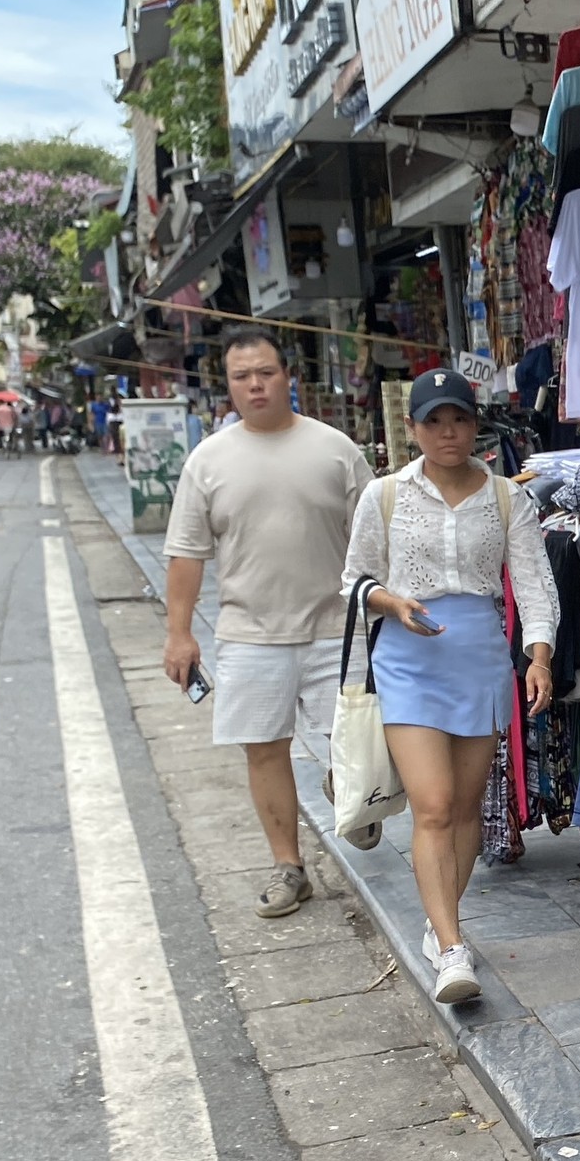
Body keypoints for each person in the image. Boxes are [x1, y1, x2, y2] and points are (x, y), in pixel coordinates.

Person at [340, 368, 561, 1002]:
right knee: (433, 804)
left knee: (465, 809)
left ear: (476, 425)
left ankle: (443, 926)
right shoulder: (384, 495)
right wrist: (392, 602)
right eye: (433, 421)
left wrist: (538, 659)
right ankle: (453, 949)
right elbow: (352, 581)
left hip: (481, 659)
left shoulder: (507, 499)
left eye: (458, 419)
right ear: (411, 429)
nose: (447, 432)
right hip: (409, 659)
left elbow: (536, 586)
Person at [163, 328, 376, 917]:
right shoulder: (208, 461)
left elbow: (374, 541)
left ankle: (354, 796)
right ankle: (290, 868)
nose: (255, 385)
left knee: (360, 738)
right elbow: (186, 554)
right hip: (250, 635)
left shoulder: (336, 450)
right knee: (264, 752)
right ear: (228, 386)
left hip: (338, 629)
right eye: (241, 377)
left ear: (289, 377)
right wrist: (179, 633)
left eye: (265, 373)